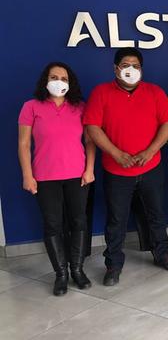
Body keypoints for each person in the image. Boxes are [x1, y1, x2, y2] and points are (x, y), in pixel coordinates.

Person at [84, 47, 168, 286]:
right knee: (116, 220)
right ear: (115, 68)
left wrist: (150, 151)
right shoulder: (101, 92)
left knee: (156, 214)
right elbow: (92, 128)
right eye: (125, 65)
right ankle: (113, 265)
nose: (131, 70)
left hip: (151, 167)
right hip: (117, 170)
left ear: (142, 69)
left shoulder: (154, 92)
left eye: (136, 65)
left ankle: (162, 255)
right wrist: (116, 154)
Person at [18, 62, 95, 296]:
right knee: (52, 224)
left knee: (78, 221)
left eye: (64, 78)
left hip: (77, 175)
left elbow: (90, 141)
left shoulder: (80, 107)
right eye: (54, 77)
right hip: (44, 177)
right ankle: (61, 274)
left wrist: (90, 169)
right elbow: (23, 143)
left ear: (70, 84)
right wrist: (27, 175)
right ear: (45, 80)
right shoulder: (31, 107)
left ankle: (78, 270)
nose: (59, 81)